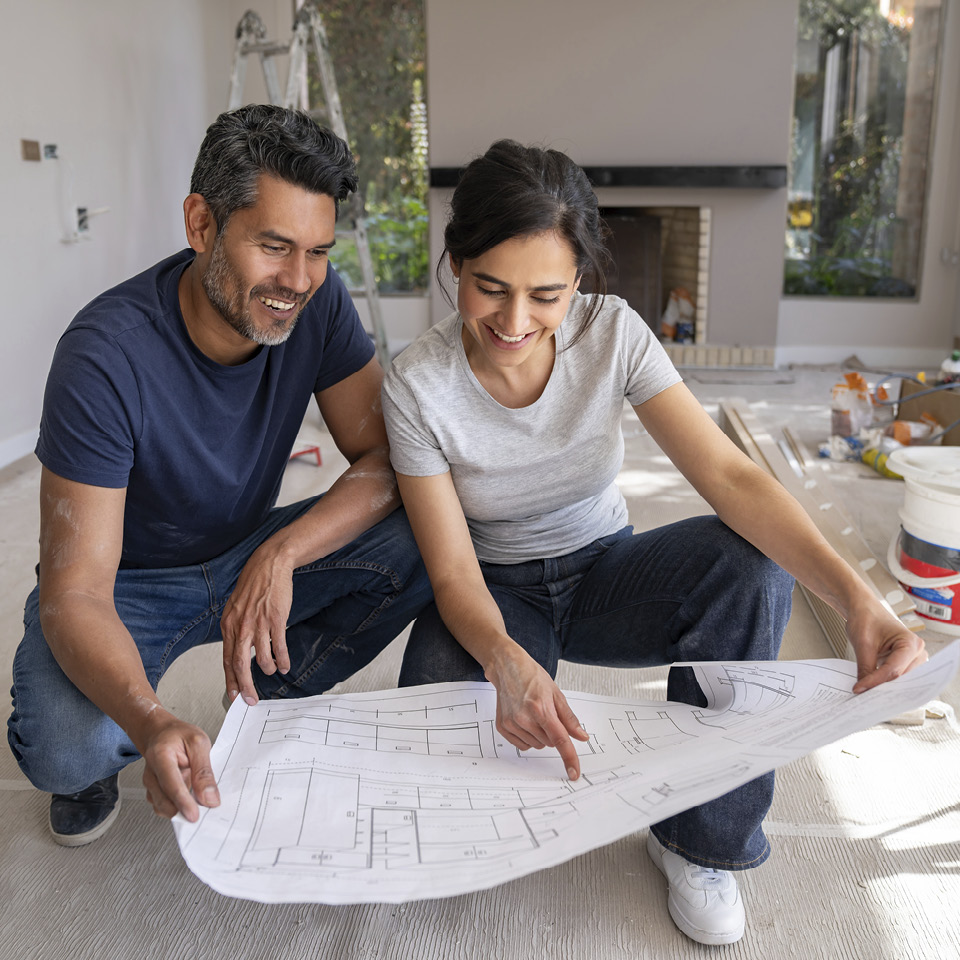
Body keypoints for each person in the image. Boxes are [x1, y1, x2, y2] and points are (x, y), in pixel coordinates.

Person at [380, 139, 927, 946]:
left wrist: (858, 600)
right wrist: (503, 661)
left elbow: (732, 481)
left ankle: (699, 843)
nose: (515, 322)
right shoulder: (416, 381)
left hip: (608, 573)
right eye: (489, 288)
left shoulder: (615, 335)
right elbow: (453, 573)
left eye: (546, 295)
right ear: (455, 262)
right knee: (436, 742)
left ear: (580, 282)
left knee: (748, 563)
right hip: (494, 592)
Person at [7, 104, 432, 847]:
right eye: (274, 246)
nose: (297, 281)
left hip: (246, 548)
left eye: (318, 251)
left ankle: (266, 702)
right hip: (124, 582)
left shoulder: (320, 302)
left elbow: (386, 459)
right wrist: (151, 718)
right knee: (62, 752)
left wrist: (283, 552)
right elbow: (74, 592)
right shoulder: (103, 356)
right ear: (201, 224)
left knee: (432, 523)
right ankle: (124, 747)